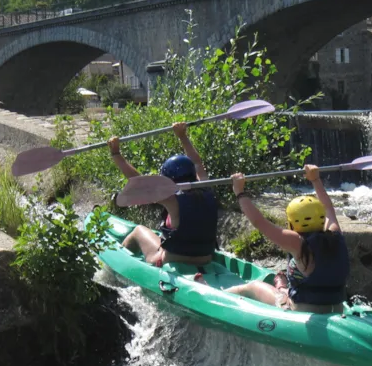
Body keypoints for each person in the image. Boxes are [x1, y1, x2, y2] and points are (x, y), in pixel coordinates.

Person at [228, 164, 350, 314]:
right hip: (336, 308)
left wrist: (239, 192)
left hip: (303, 310)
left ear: (293, 223)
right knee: (290, 288)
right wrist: (315, 179)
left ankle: (219, 295)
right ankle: (282, 286)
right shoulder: (335, 234)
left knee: (252, 287)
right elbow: (329, 208)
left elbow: (259, 222)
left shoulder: (297, 242)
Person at [108, 122, 218, 267]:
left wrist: (116, 154)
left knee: (139, 230)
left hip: (171, 260)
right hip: (205, 259)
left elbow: (138, 182)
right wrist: (182, 136)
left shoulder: (171, 199)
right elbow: (197, 163)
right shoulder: (206, 188)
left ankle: (115, 267)